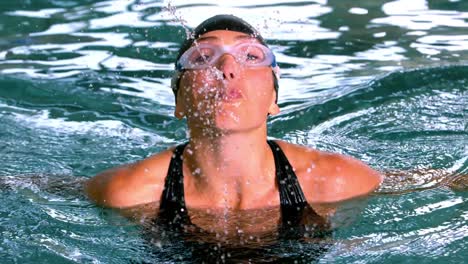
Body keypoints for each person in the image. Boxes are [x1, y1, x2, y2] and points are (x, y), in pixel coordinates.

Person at [85, 14, 383, 262]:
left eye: (251, 56)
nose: (227, 68)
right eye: (203, 57)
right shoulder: (129, 192)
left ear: (273, 99)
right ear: (179, 101)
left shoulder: (338, 181)